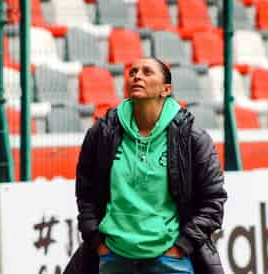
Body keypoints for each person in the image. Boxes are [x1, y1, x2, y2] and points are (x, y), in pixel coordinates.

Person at [64, 57, 227, 274]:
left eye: (147, 72)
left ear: (166, 89)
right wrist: (97, 241)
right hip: (113, 258)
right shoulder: (102, 133)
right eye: (133, 72)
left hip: (170, 261)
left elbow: (213, 200)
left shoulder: (192, 138)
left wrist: (183, 245)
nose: (137, 76)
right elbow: (85, 193)